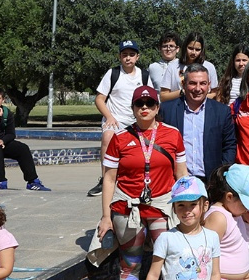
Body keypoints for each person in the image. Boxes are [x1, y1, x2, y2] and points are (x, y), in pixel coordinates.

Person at [97, 84, 188, 280]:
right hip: (128, 208)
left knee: (167, 262)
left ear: (158, 108)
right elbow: (109, 178)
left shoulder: (172, 135)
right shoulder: (120, 138)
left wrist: (190, 209)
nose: (144, 108)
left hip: (161, 206)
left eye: (150, 104)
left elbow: (181, 175)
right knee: (130, 265)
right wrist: (105, 216)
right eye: (139, 104)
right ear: (133, 108)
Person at [159, 65, 237, 181]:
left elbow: (229, 146)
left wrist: (221, 174)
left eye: (203, 83)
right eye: (193, 83)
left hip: (211, 180)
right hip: (176, 179)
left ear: (209, 85)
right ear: (184, 84)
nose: (198, 88)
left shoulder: (222, 111)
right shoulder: (167, 110)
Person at [93, 40, 151, 190]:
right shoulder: (113, 73)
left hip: (136, 120)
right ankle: (105, 179)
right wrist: (110, 117)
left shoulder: (144, 75)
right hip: (115, 120)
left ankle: (140, 179)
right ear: (119, 56)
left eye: (132, 55)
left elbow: (151, 99)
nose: (128, 58)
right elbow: (99, 99)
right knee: (107, 137)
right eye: (124, 54)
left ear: (137, 57)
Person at [150, 33, 184, 102]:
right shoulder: (152, 67)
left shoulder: (183, 66)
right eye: (165, 46)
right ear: (160, 48)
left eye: (171, 46)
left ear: (177, 49)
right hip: (159, 107)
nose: (168, 49)